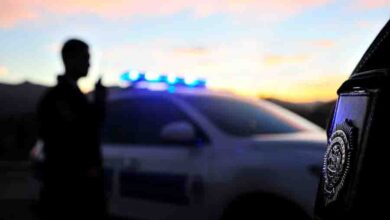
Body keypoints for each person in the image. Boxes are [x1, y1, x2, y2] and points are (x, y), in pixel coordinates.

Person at [37, 39, 107, 219]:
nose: (90, 63)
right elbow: (78, 135)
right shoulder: (59, 97)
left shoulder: (72, 94)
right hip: (69, 188)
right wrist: (99, 103)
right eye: (85, 57)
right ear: (69, 59)